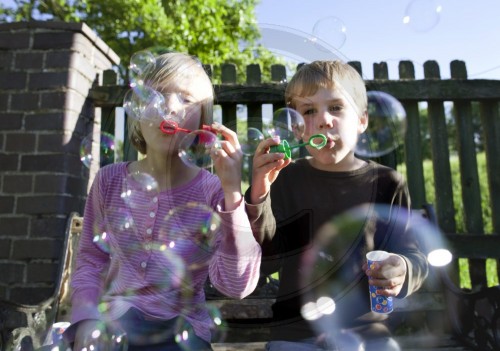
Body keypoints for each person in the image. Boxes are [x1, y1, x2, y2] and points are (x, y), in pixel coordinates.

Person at [64, 52, 262, 351]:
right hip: (113, 321)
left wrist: (233, 190)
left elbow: (236, 285)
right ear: (137, 111)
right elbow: (91, 261)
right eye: (155, 95)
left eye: (185, 99)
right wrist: (86, 317)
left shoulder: (212, 190)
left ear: (203, 124)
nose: (168, 107)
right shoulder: (108, 181)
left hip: (183, 329)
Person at [245, 60, 428, 350]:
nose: (324, 120)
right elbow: (267, 262)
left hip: (366, 329)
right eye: (309, 111)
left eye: (336, 107)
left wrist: (403, 269)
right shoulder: (286, 179)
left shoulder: (387, 183)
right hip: (295, 330)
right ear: (298, 129)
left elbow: (412, 254)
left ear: (362, 120)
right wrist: (259, 195)